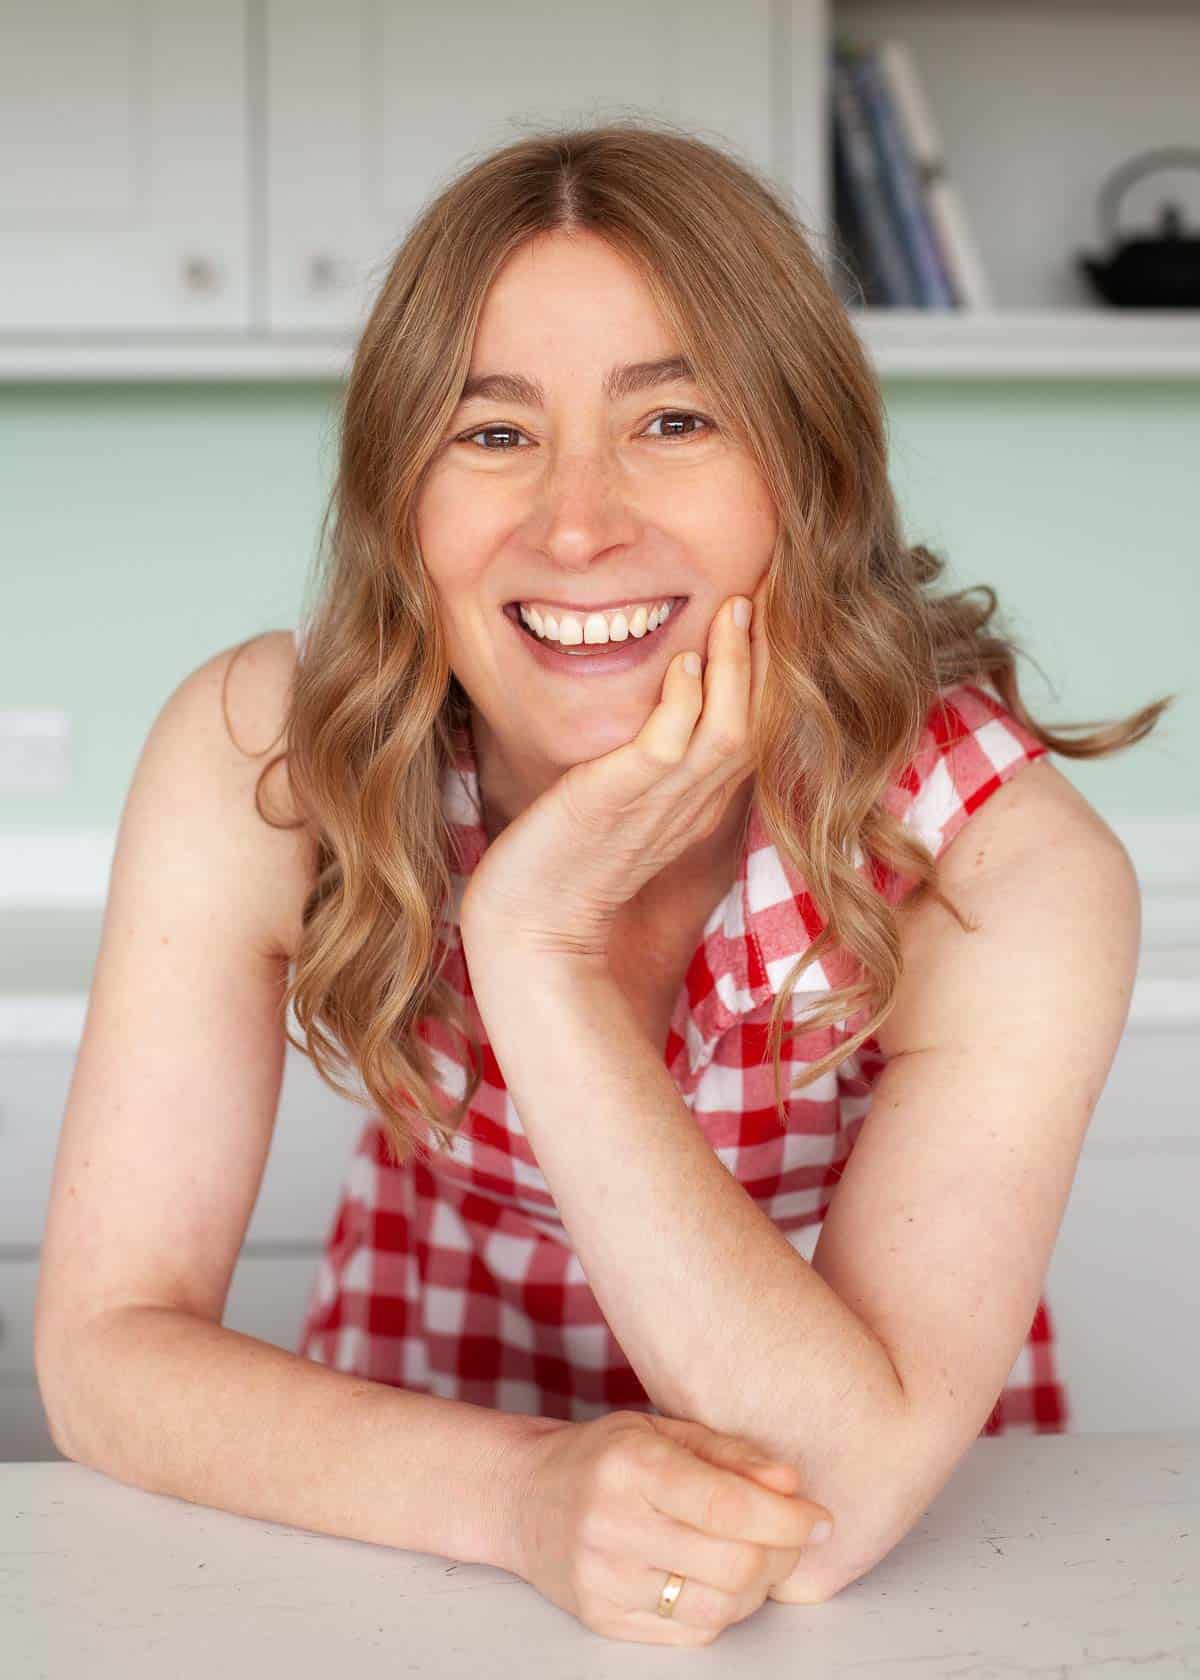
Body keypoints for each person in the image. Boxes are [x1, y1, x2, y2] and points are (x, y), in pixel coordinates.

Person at [36, 121, 1167, 1649]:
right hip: (399, 1538)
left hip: (902, 1609)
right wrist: (523, 1497)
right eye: (492, 433)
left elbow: (834, 1505)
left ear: (810, 478)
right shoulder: (266, 755)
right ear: (398, 500)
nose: (578, 523)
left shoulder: (1001, 865)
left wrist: (538, 942)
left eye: (677, 420)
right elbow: (105, 1354)